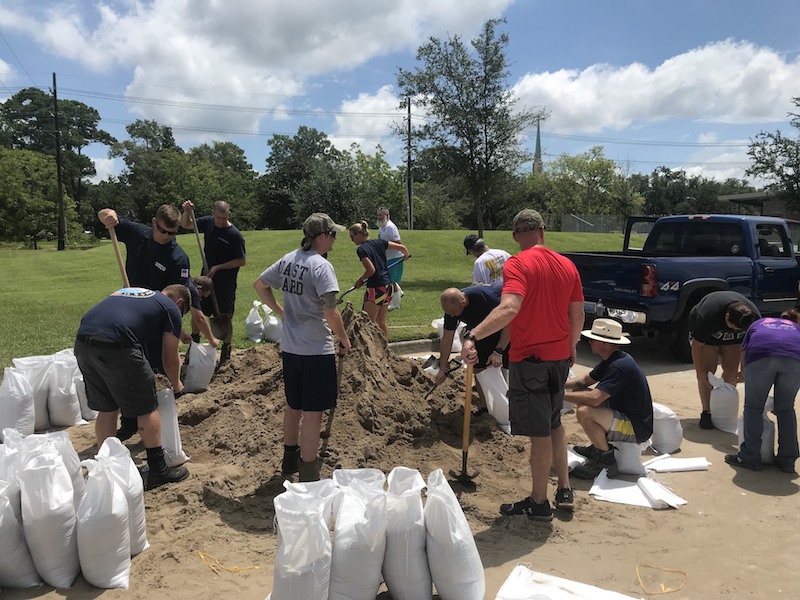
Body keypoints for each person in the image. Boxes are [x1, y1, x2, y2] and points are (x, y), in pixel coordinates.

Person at [461, 209, 584, 522]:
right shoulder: (567, 265)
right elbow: (578, 315)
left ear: (516, 236)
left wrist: (473, 334)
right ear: (543, 231)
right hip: (559, 359)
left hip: (531, 363)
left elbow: (510, 307)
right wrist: (570, 347)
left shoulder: (517, 264)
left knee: (539, 434)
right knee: (555, 422)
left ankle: (539, 502)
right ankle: (565, 489)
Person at [98, 205, 218, 440]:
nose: (168, 237)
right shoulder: (137, 233)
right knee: (128, 371)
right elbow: (106, 216)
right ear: (154, 223)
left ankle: (157, 426)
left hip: (153, 319)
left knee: (154, 372)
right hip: (128, 314)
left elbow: (175, 300)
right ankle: (130, 422)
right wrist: (107, 216)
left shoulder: (178, 258)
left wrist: (176, 329)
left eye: (173, 233)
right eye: (164, 231)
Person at [253, 213, 351, 483]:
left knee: (293, 406)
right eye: (333, 234)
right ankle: (309, 475)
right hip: (315, 350)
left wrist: (281, 311)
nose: (335, 239)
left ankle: (289, 460)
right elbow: (331, 310)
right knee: (313, 414)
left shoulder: (289, 259)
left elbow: (260, 285)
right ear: (321, 236)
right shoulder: (321, 267)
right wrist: (343, 338)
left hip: (291, 348)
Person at [74, 285, 191, 490]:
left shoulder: (133, 292)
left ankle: (108, 467)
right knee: (147, 406)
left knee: (107, 407)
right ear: (179, 303)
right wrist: (176, 383)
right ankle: (158, 470)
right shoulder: (171, 308)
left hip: (84, 342)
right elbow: (170, 358)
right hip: (117, 346)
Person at [564, 318, 654, 479]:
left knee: (585, 411)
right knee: (581, 393)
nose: (590, 341)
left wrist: (557, 395)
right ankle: (598, 447)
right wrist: (558, 385)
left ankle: (606, 461)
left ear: (604, 343)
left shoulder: (619, 366)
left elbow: (595, 399)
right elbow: (585, 380)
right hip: (625, 416)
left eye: (593, 339)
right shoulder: (615, 359)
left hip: (636, 427)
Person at [725, 309, 800, 473]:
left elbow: (744, 353)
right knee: (786, 409)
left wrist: (744, 372)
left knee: (754, 407)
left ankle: (750, 457)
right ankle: (788, 460)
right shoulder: (796, 329)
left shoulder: (757, 324)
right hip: (795, 360)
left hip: (761, 355)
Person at [180, 200, 246, 365]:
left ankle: (226, 351)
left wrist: (218, 267)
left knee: (225, 316)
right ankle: (194, 345)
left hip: (225, 283)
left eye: (224, 218)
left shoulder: (234, 235)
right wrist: (187, 211)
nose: (220, 221)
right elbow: (186, 224)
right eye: (218, 218)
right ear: (212, 214)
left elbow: (241, 261)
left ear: (228, 215)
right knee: (198, 312)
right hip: (205, 281)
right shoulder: (208, 223)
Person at [688, 290, 760, 430]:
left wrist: (744, 369)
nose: (733, 329)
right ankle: (706, 411)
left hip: (734, 342)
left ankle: (725, 409)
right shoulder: (709, 314)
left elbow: (749, 345)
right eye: (732, 325)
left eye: (737, 328)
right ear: (727, 315)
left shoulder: (754, 317)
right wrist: (699, 373)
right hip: (708, 339)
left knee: (731, 371)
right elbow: (697, 346)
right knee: (707, 373)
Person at [437, 286, 508, 389]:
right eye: (449, 313)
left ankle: (509, 401)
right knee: (479, 368)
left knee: (507, 365)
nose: (451, 316)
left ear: (463, 302)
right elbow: (447, 338)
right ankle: (485, 404)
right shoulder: (451, 308)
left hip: (504, 326)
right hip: (479, 331)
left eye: (453, 313)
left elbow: (509, 323)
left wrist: (499, 351)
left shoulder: (488, 298)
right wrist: (442, 369)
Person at [348, 220, 409, 339]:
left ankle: (373, 350)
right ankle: (385, 349)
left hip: (376, 288)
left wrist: (361, 280)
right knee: (381, 322)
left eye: (352, 236)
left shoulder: (361, 250)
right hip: (388, 286)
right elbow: (402, 248)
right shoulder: (379, 242)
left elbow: (371, 270)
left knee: (368, 323)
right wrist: (405, 254)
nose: (352, 240)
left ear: (359, 234)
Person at [377, 207, 405, 305]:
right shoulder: (381, 227)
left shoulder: (390, 227)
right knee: (390, 279)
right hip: (386, 257)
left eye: (381, 215)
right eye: (378, 215)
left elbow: (397, 242)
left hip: (394, 257)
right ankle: (399, 293)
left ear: (387, 216)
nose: (379, 217)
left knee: (391, 282)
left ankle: (395, 304)